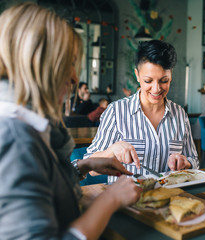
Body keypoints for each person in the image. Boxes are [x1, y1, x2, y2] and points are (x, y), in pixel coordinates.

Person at [0, 3, 141, 239]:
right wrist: (110, 199)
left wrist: (83, 166)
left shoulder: (26, 123)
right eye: (69, 63)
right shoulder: (15, 137)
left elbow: (43, 183)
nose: (75, 77)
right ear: (39, 64)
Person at [85, 40, 199, 183]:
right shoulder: (116, 112)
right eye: (148, 81)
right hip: (126, 200)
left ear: (171, 76)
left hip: (169, 199)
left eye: (164, 81)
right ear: (137, 75)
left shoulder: (180, 114)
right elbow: (90, 168)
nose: (156, 89)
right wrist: (111, 151)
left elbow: (194, 160)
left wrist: (185, 163)